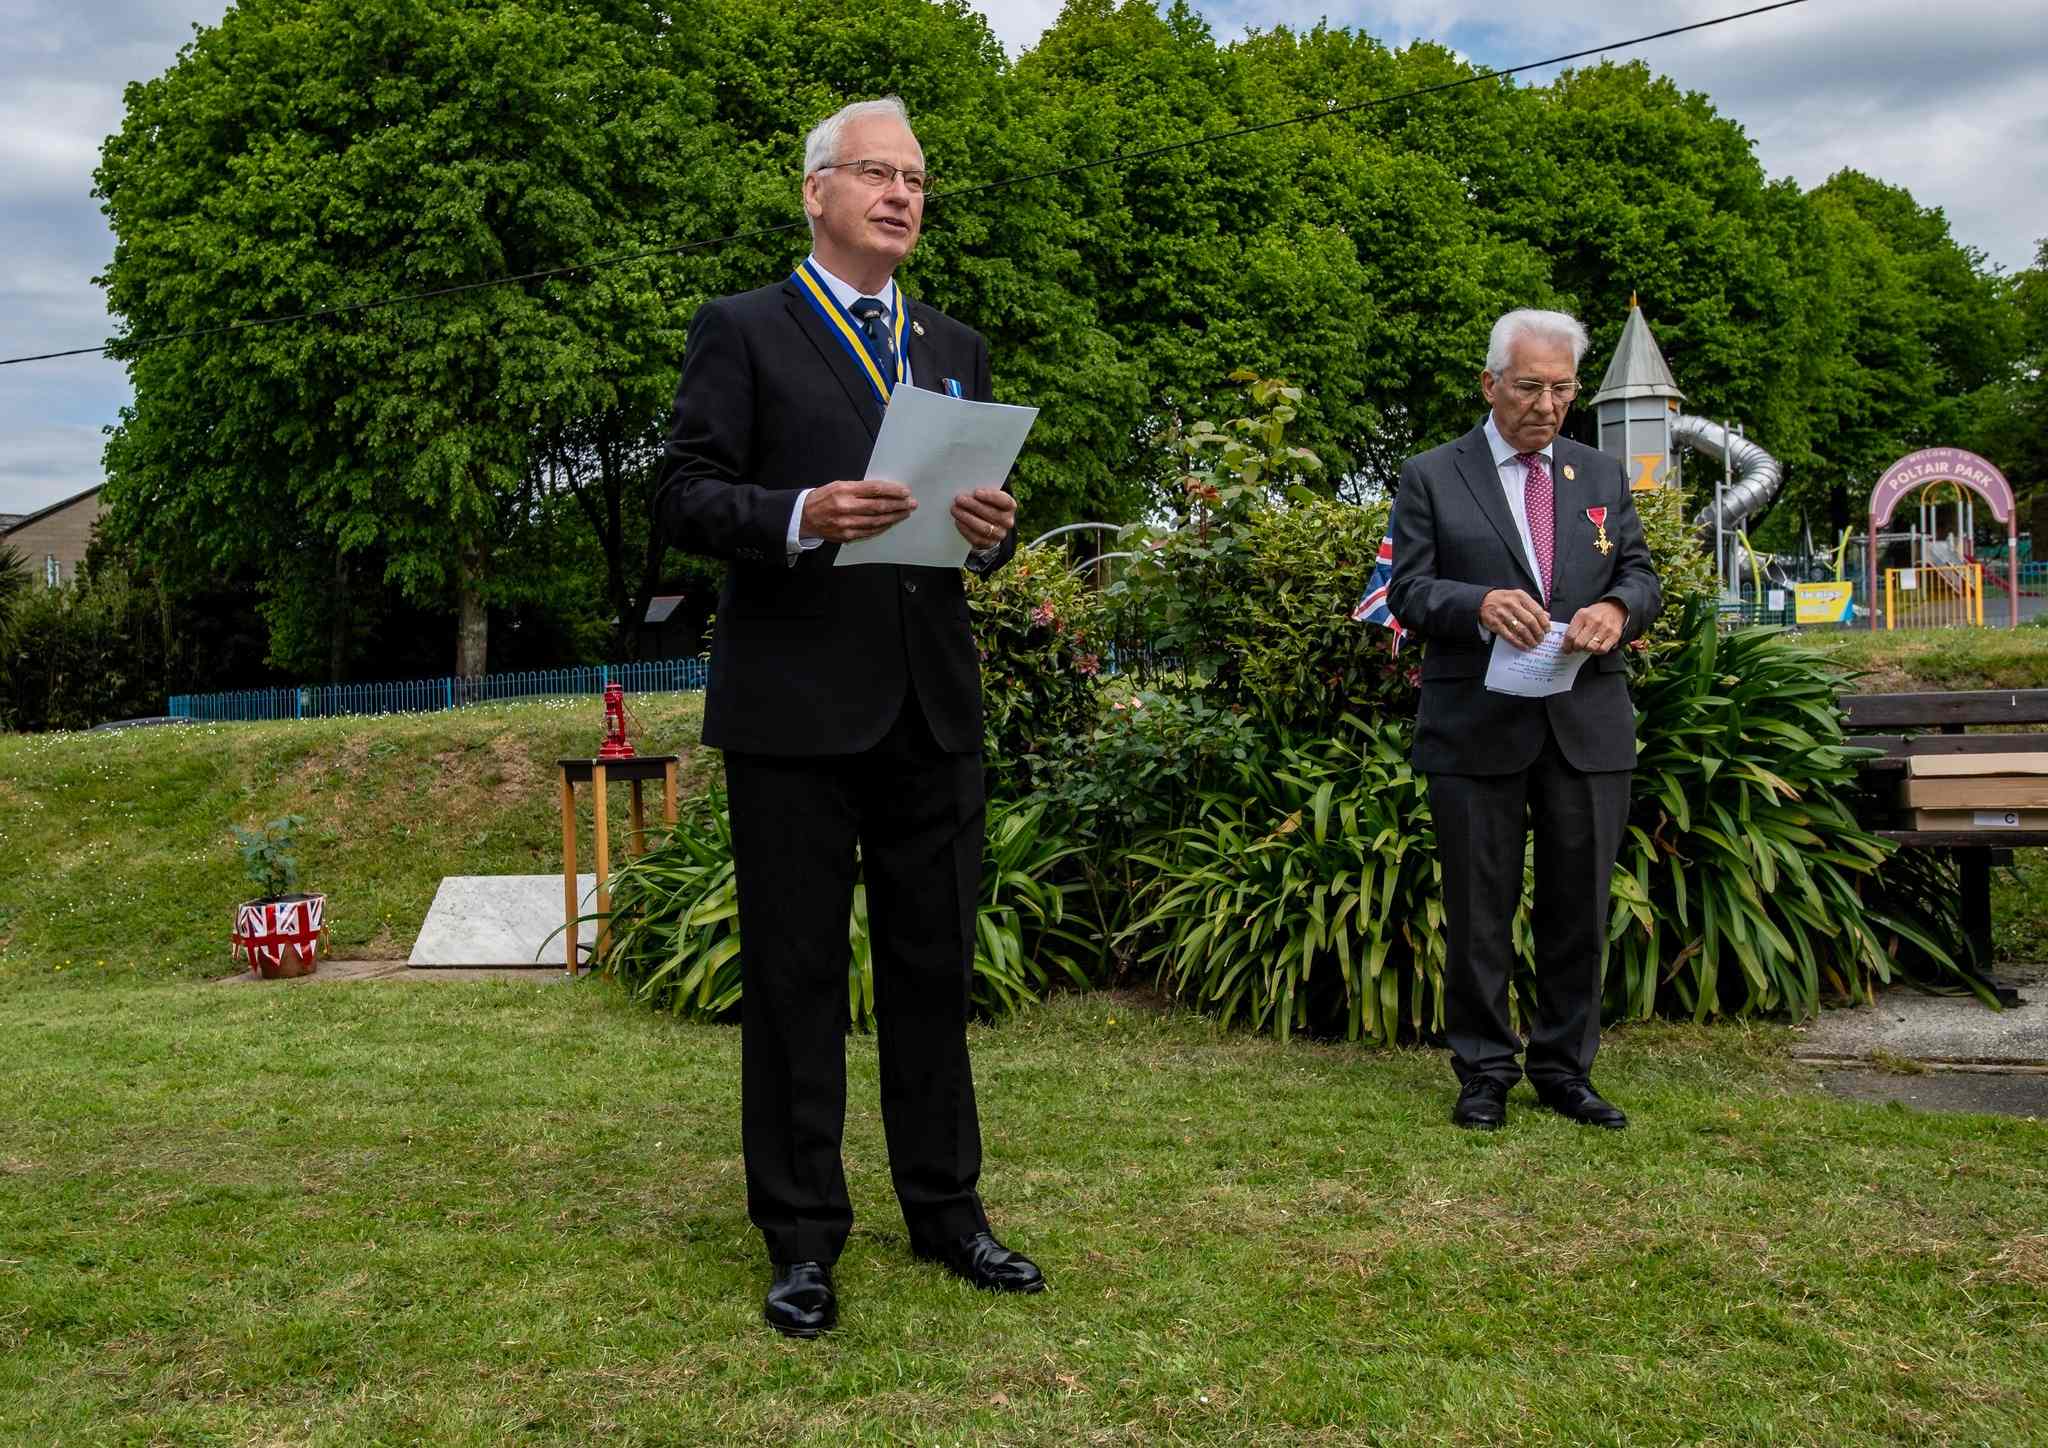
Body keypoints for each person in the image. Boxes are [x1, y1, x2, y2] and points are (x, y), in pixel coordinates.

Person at [651, 96, 1043, 1338]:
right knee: (797, 978)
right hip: (792, 710)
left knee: (933, 970)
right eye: (875, 172)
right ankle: (802, 1236)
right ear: (814, 192)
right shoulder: (744, 331)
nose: (901, 194)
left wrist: (990, 535)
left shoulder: (953, 343)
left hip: (931, 705)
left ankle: (947, 1209)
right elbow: (681, 492)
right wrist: (798, 513)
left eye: (916, 178)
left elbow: (960, 515)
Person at [1386, 309, 1662, 1132]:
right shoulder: (1432, 474)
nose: (1547, 404)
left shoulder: (1600, 477)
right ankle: (1483, 1072)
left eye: (1563, 388)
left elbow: (1644, 575)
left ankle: (1565, 1071)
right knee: (1478, 911)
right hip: (1476, 725)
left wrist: (1619, 607)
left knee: (1578, 907)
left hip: (1588, 723)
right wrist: (1476, 605)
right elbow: (1405, 591)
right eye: (1530, 386)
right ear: (1490, 384)